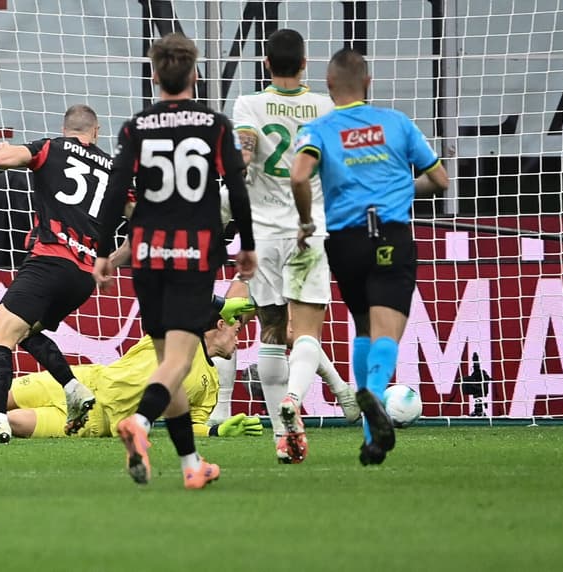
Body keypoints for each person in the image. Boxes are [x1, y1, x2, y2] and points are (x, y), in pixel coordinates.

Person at [93, 32, 257, 489]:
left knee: (169, 363)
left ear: (154, 74)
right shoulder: (215, 124)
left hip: (147, 254)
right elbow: (237, 188)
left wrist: (104, 249)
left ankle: (191, 465)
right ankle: (141, 422)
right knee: (180, 364)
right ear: (195, 74)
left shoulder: (136, 127)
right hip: (192, 251)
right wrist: (246, 243)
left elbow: (114, 191)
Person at [291, 48, 449, 465]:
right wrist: (398, 189)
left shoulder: (320, 128)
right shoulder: (397, 123)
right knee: (387, 336)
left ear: (328, 87)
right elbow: (440, 180)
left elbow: (299, 175)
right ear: (368, 82)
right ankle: (375, 398)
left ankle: (371, 442)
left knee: (362, 327)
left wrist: (306, 220)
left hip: (345, 242)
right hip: (390, 234)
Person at [0, 104, 113, 446]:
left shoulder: (51, 146)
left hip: (49, 261)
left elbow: (5, 161)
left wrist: (0, 150)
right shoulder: (113, 167)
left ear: (65, 128)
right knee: (25, 333)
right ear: (95, 132)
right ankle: (73, 389)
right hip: (84, 277)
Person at [232, 28, 359, 464]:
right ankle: (293, 399)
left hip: (262, 231)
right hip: (309, 228)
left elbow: (243, 156)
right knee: (306, 332)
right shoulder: (326, 107)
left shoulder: (248, 104)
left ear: (265, 64)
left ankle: (283, 440)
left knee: (269, 330)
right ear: (305, 64)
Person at [0, 315, 263, 440]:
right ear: (220, 324)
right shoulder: (172, 337)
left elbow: (191, 425)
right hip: (83, 380)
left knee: (16, 422)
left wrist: (218, 429)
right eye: (239, 326)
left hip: (98, 421)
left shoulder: (211, 385)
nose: (241, 335)